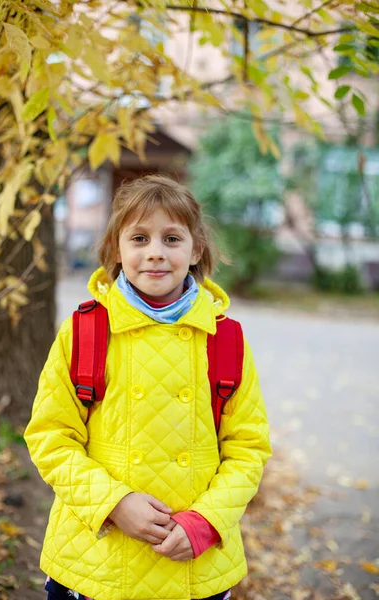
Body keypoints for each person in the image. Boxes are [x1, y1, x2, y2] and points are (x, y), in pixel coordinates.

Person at [24, 175, 272, 600]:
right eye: (139, 237)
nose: (155, 252)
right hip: (95, 564)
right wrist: (113, 504)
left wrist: (207, 522)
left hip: (195, 567)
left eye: (172, 238)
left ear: (196, 249)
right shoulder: (84, 332)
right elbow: (50, 437)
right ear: (117, 248)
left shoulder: (225, 339)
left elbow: (248, 448)